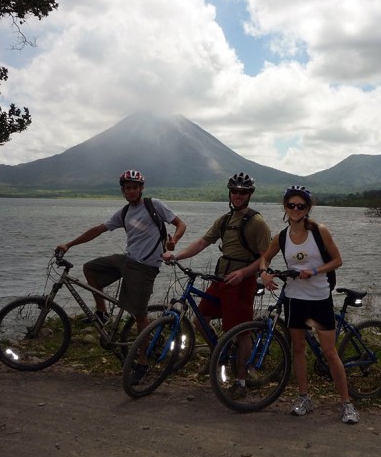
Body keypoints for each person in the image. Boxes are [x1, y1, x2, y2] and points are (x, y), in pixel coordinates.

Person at [56, 169, 186, 380]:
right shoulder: (124, 213)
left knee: (140, 316)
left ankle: (142, 364)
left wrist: (174, 242)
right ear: (123, 191)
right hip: (126, 260)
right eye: (128, 188)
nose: (132, 191)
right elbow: (97, 229)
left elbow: (181, 224)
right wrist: (69, 244)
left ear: (141, 189)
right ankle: (102, 312)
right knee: (90, 268)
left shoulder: (155, 206)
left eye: (135, 187)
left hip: (145, 267)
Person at [162, 172, 271, 397]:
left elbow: (265, 258)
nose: (238, 195)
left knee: (240, 331)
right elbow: (203, 242)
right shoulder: (224, 220)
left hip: (241, 282)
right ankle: (219, 354)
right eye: (234, 191)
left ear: (249, 194)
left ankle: (241, 380)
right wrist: (178, 256)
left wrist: (244, 273)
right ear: (229, 193)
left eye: (243, 192)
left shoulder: (257, 223)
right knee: (200, 320)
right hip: (221, 279)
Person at [258, 185, 360, 424]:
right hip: (295, 299)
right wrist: (264, 273)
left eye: (300, 206)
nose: (295, 209)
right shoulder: (281, 237)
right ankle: (304, 397)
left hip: (319, 298)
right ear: (284, 207)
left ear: (308, 208)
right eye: (291, 205)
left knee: (329, 351)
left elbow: (337, 260)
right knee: (298, 349)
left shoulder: (319, 231)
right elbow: (265, 257)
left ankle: (346, 403)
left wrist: (314, 270)